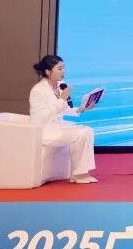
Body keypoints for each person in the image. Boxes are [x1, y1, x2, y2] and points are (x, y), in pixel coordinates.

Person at [29, 54, 97, 183]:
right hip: (44, 130)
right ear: (48, 72)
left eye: (63, 68)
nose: (63, 71)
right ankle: (79, 175)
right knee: (82, 133)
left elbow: (63, 109)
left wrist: (81, 108)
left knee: (87, 130)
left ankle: (81, 173)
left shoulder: (59, 86)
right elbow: (41, 118)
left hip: (57, 126)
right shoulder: (38, 91)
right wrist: (61, 99)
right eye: (59, 69)